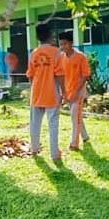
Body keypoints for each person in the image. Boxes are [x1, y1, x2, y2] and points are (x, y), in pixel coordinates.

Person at [26, 23, 65, 161]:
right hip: (51, 94)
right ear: (50, 35)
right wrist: (63, 92)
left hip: (36, 94)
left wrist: (34, 89)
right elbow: (59, 75)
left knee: (34, 123)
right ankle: (55, 154)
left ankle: (34, 149)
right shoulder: (57, 53)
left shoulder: (33, 53)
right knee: (53, 124)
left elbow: (30, 75)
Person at [56, 31, 92, 151]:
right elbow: (61, 76)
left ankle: (74, 143)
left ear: (71, 43)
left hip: (79, 92)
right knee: (76, 115)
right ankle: (85, 136)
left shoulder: (81, 57)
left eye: (65, 44)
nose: (63, 47)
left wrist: (76, 91)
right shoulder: (61, 57)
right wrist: (63, 92)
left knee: (74, 115)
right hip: (68, 91)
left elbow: (85, 75)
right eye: (61, 44)